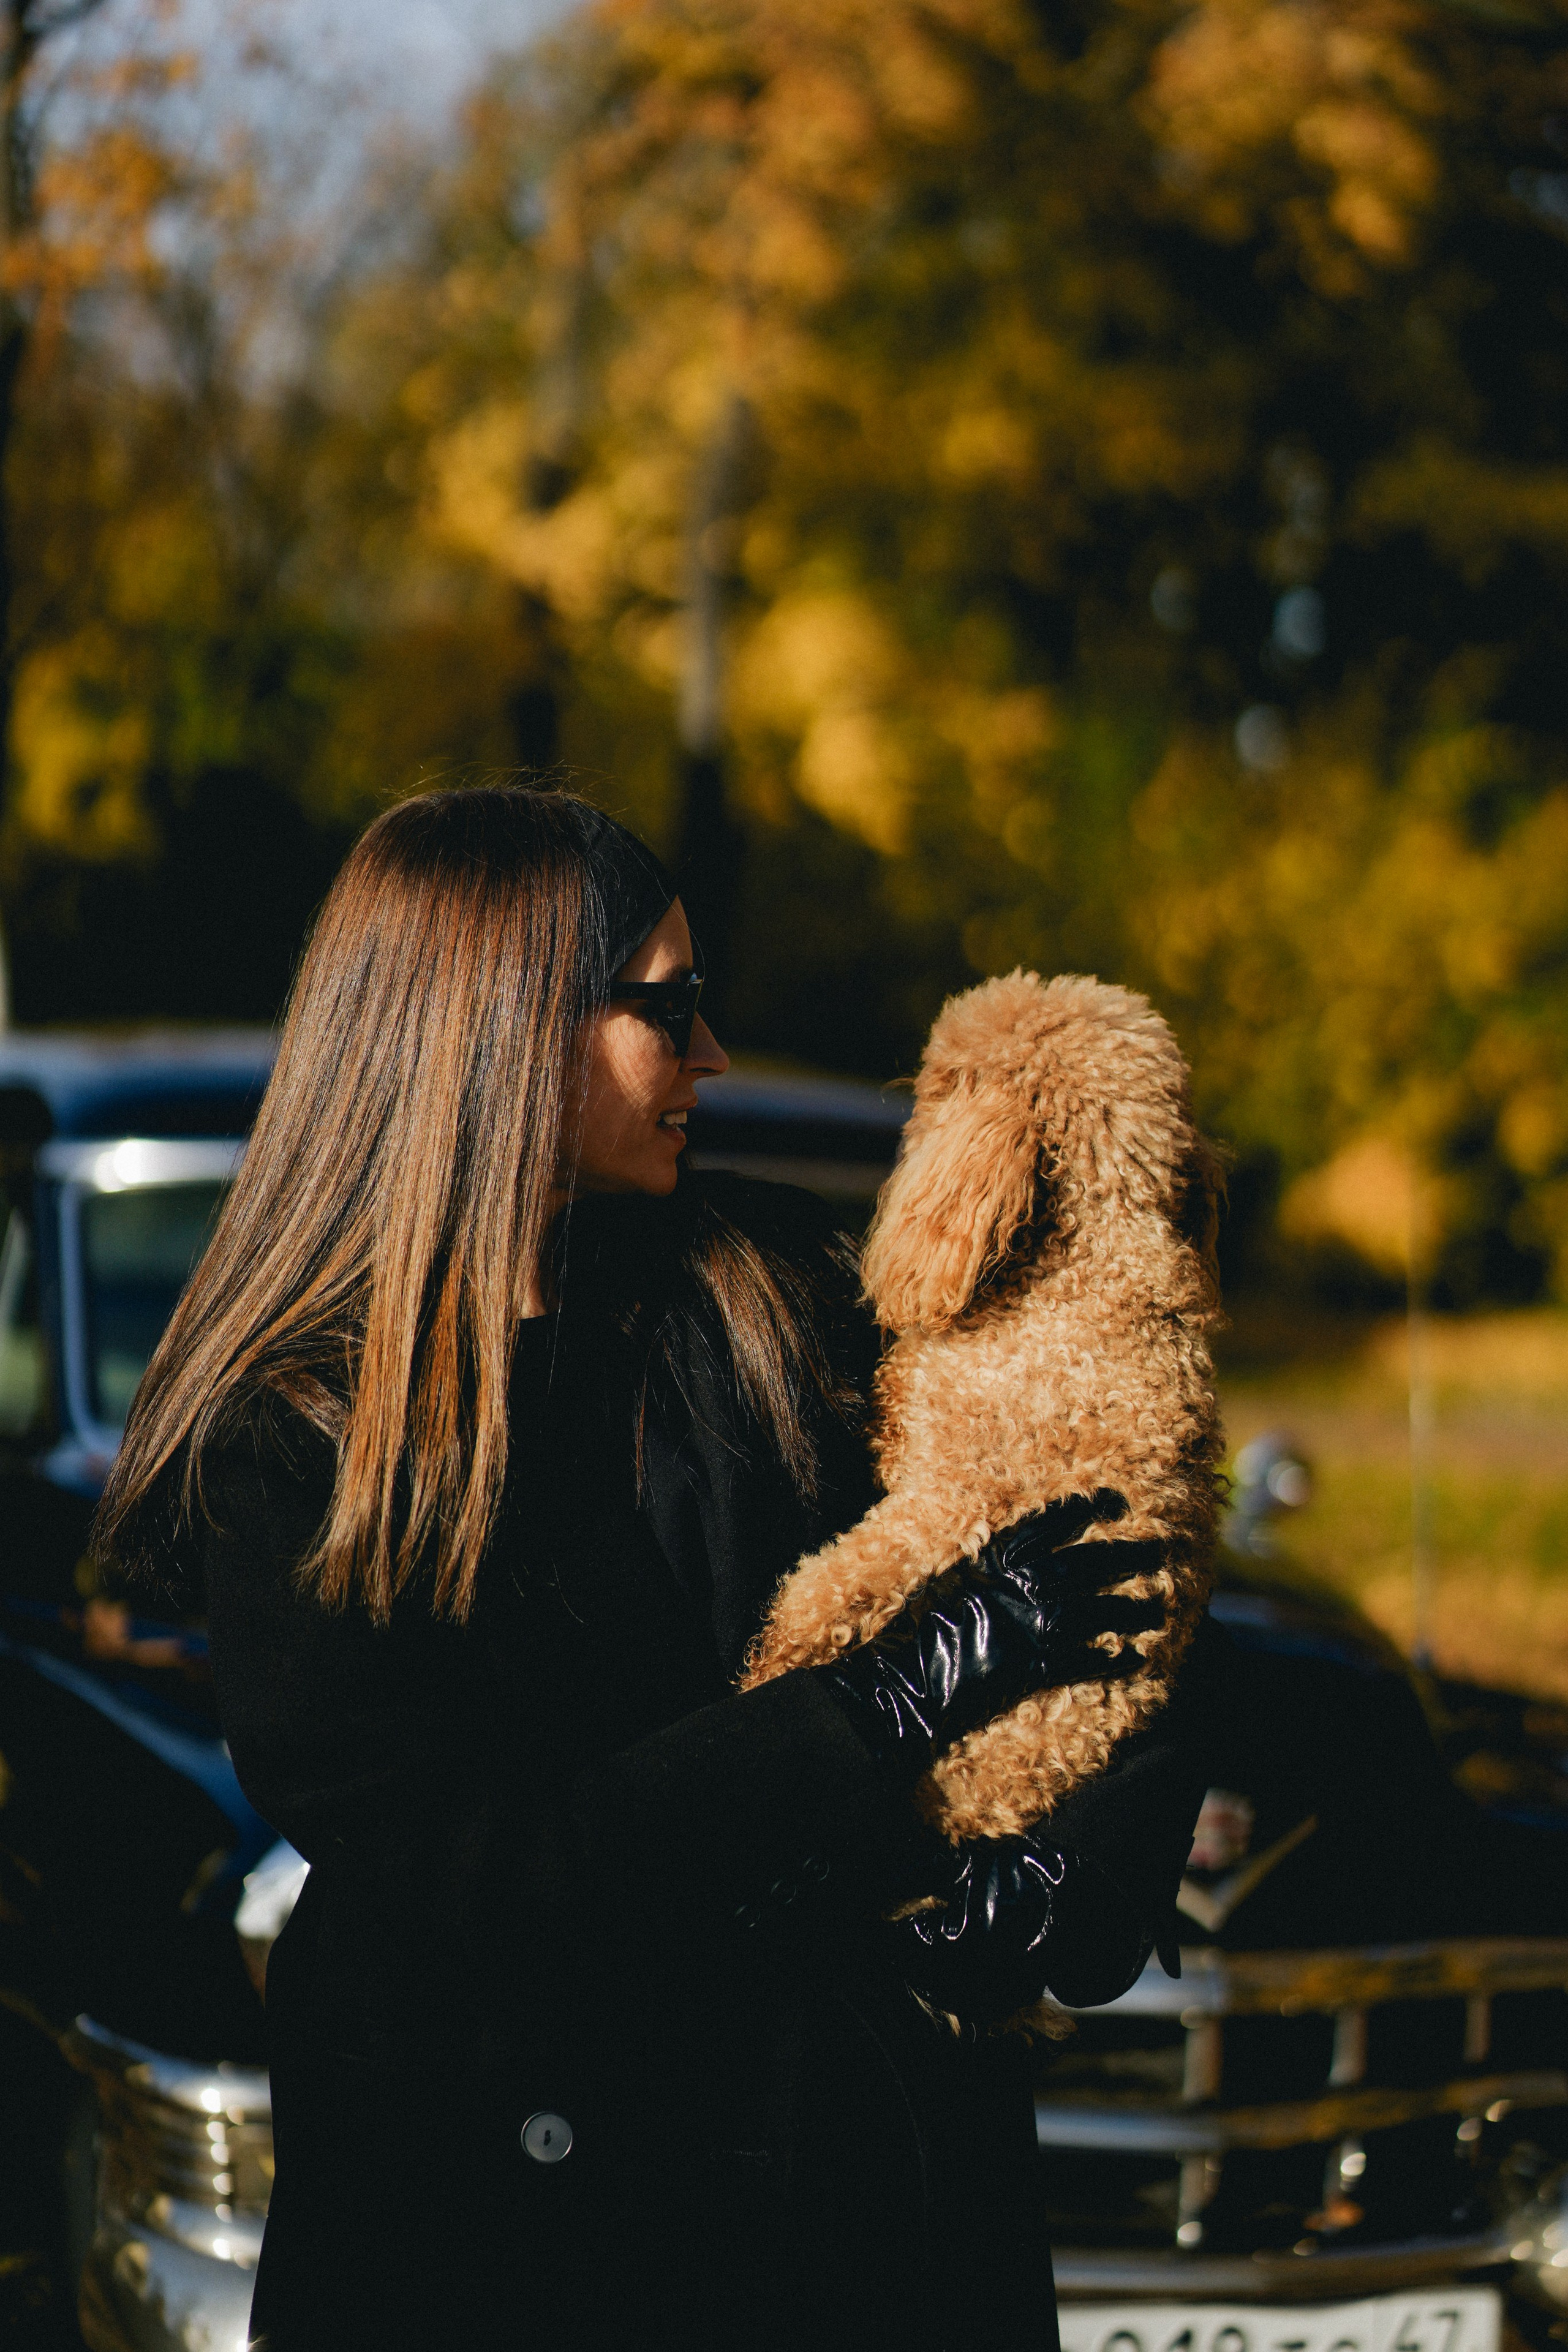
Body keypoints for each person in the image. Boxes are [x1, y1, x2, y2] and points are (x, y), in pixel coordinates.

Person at [95, 786, 1220, 2352]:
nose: (714, 1054)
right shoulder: (300, 1438)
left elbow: (1103, 1540)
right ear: (502, 1023)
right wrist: (876, 1703)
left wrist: (1077, 1866)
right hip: (516, 2258)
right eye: (668, 1008)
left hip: (860, 2213)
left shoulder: (770, 1291)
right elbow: (477, 1891)